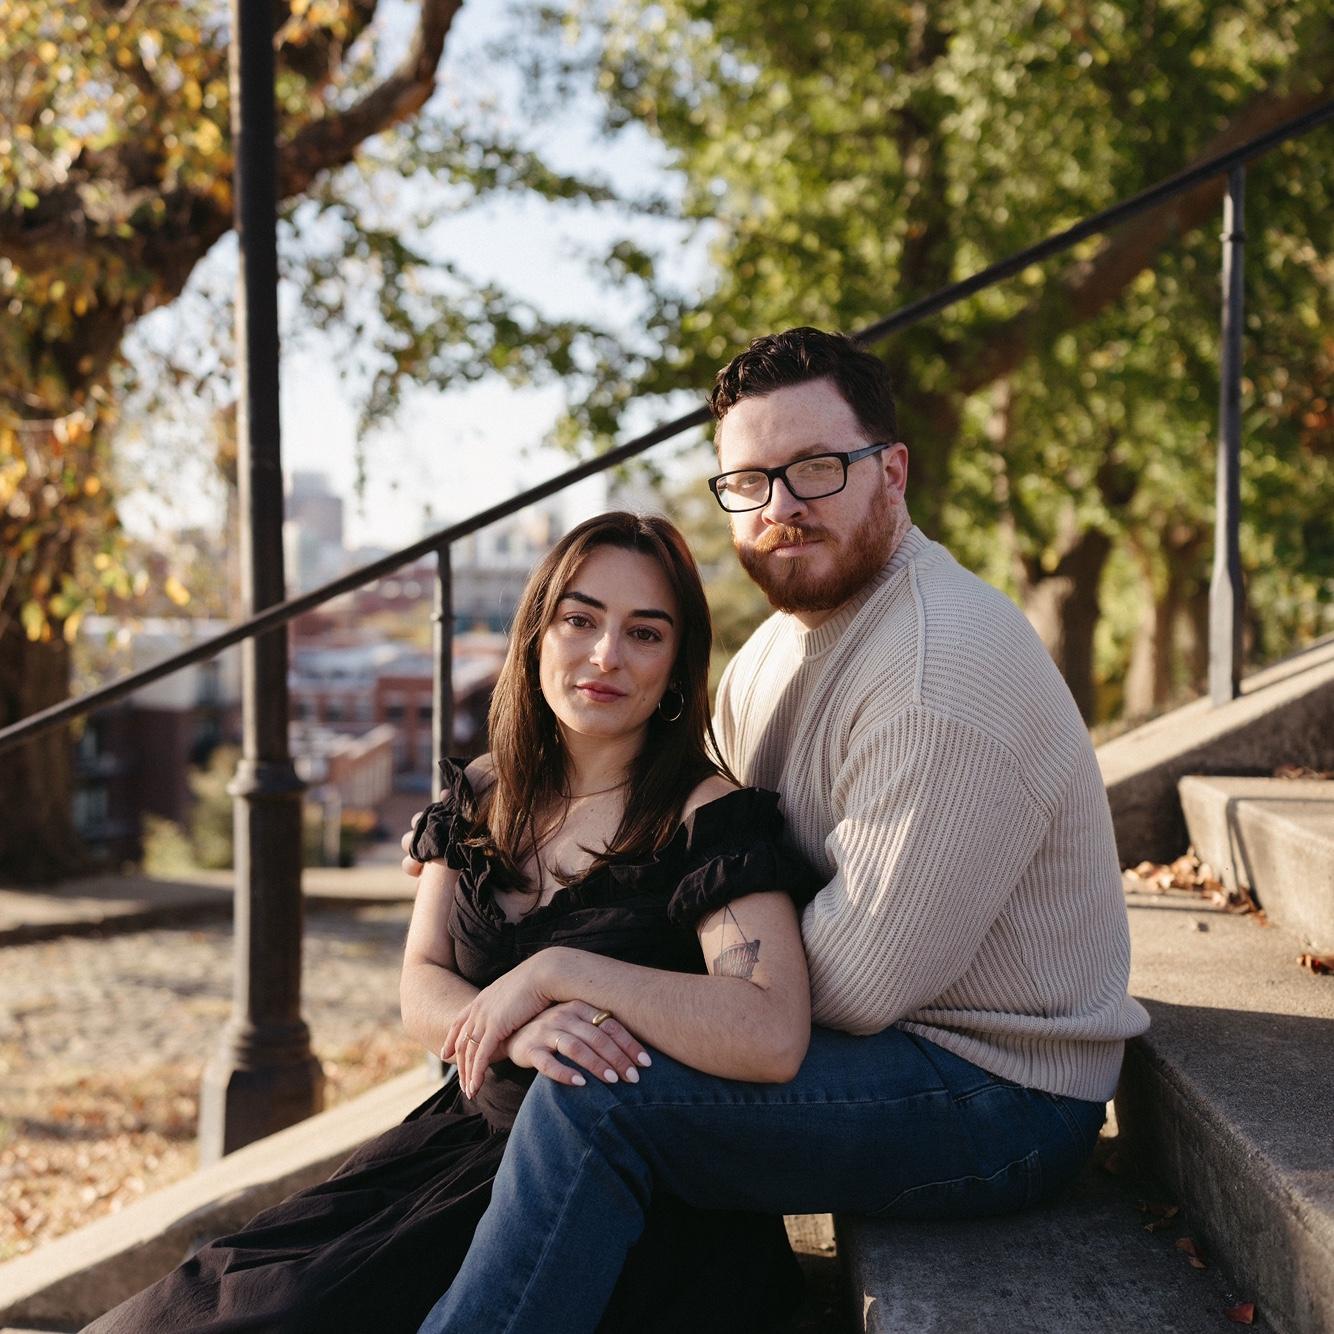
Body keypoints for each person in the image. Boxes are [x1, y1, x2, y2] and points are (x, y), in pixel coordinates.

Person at [409, 327, 1152, 1334]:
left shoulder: (938, 670)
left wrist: (572, 970)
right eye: (749, 481)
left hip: (993, 1090)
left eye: (815, 468)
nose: (780, 507)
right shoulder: (776, 649)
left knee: (600, 1091)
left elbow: (849, 988)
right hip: (886, 1054)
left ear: (892, 471)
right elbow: (700, 876)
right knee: (581, 1064)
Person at [84, 511, 821, 1334]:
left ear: (677, 665)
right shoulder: (479, 794)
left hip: (615, 1196)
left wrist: (558, 975)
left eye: (644, 633)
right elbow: (421, 982)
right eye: (579, 620)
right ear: (535, 636)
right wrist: (510, 1029)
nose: (606, 655)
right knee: (190, 1306)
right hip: (456, 1146)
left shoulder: (706, 819)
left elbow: (769, 1030)